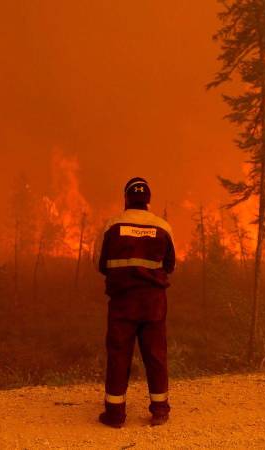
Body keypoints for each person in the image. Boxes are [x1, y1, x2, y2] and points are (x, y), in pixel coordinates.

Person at [94, 177, 175, 428]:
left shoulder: (113, 225)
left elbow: (101, 264)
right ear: (148, 200)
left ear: (126, 198)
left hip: (123, 302)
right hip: (153, 303)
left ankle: (115, 415)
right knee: (156, 355)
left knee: (118, 356)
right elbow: (170, 266)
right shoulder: (163, 227)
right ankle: (160, 411)